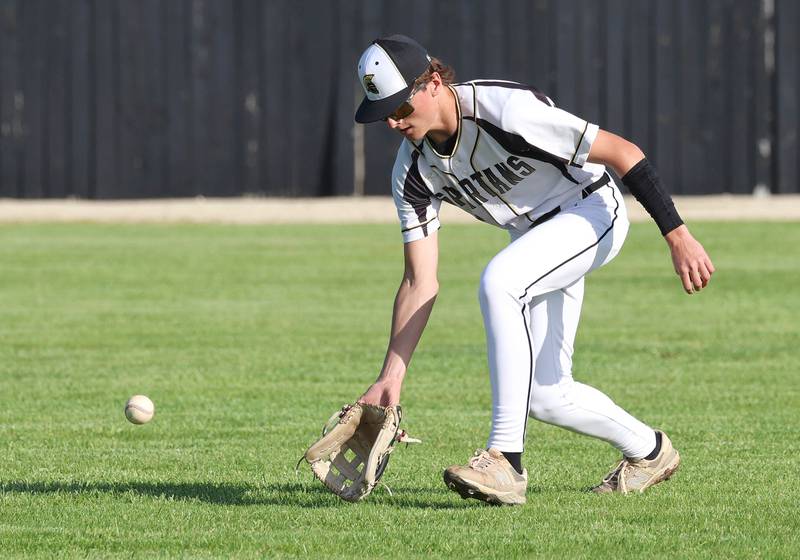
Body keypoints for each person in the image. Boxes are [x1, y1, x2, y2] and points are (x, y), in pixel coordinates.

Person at [353, 34, 714, 505]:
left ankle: (506, 460)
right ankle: (650, 452)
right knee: (546, 394)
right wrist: (391, 376)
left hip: (590, 210)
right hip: (534, 239)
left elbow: (624, 153)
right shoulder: (413, 171)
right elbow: (419, 280)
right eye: (386, 114)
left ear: (434, 82)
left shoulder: (504, 111)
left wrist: (677, 234)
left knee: (500, 281)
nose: (395, 122)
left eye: (401, 107)